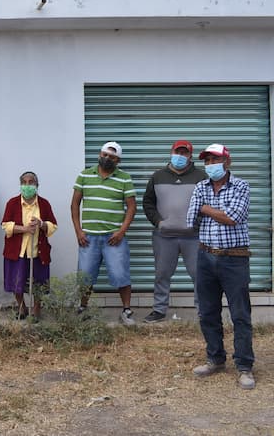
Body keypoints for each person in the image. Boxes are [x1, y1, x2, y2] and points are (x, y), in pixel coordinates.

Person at [187, 143, 255, 390]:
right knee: (207, 312)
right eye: (207, 161)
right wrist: (213, 212)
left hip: (234, 258)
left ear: (227, 161)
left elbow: (233, 217)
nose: (210, 165)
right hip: (206, 257)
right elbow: (189, 219)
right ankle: (215, 359)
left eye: (215, 160)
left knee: (240, 314)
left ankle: (244, 366)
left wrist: (205, 208)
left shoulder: (241, 186)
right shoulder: (200, 186)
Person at [71, 141, 137, 326]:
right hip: (88, 238)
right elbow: (74, 204)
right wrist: (78, 231)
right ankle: (83, 308)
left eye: (112, 157)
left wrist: (121, 232)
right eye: (105, 154)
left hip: (113, 238)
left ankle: (126, 311)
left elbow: (132, 208)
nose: (107, 158)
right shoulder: (85, 175)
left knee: (120, 273)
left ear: (118, 161)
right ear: (100, 154)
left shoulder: (124, 178)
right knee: (85, 276)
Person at [142, 140, 206, 323]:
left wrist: (196, 224)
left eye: (185, 153)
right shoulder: (157, 176)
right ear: (171, 152)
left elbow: (207, 203)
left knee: (199, 275)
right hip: (164, 236)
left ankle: (203, 312)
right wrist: (158, 222)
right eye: (178, 152)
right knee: (162, 274)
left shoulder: (201, 177)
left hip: (193, 237)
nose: (181, 156)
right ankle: (159, 310)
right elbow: (148, 202)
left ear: (190, 156)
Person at [1, 171, 58, 319]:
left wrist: (41, 224)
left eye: (31, 182)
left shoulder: (44, 204)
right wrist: (25, 229)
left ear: (37, 185)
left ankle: (36, 309)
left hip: (38, 251)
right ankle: (22, 308)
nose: (27, 185)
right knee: (16, 280)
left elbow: (53, 226)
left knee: (39, 282)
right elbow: (5, 225)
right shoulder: (12, 203)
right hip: (17, 251)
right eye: (24, 182)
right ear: (20, 185)